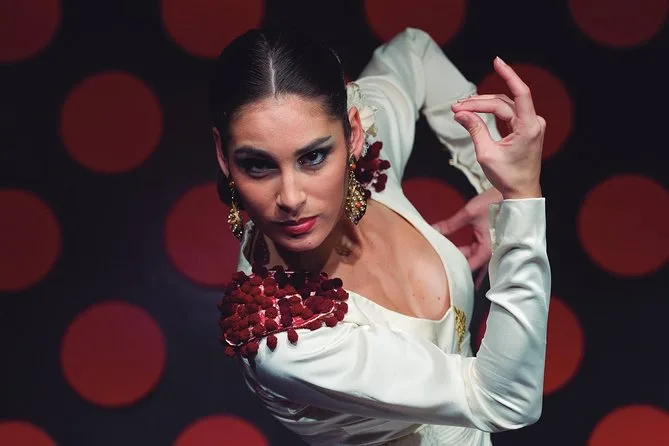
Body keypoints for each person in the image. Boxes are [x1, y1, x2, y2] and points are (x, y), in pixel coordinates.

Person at [211, 26, 550, 446]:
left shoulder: (370, 167)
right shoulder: (284, 337)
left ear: (354, 133)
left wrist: (490, 183)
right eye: (258, 165)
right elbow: (506, 400)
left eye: (313, 157)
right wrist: (519, 197)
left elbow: (413, 51)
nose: (291, 197)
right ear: (223, 156)